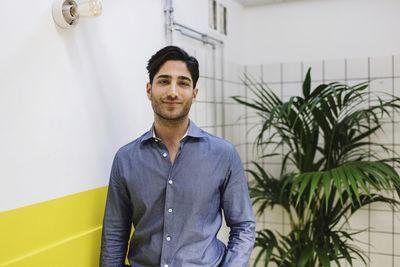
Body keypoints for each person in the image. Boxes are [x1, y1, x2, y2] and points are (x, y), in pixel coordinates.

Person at [100, 46, 255, 267]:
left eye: (183, 83)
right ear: (148, 90)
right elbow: (114, 235)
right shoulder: (125, 159)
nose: (173, 92)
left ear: (194, 94)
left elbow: (243, 226)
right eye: (164, 81)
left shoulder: (224, 155)